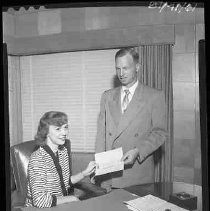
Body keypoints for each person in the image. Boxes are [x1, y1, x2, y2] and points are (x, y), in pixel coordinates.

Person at [94, 47, 167, 192]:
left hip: (137, 174)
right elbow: (101, 135)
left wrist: (138, 151)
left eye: (126, 68)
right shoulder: (107, 96)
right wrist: (99, 167)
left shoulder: (154, 96)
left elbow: (160, 133)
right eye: (118, 68)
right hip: (110, 174)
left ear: (137, 67)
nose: (121, 73)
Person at [25, 111, 97, 208]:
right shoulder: (38, 158)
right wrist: (71, 198)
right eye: (58, 129)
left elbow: (65, 182)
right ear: (45, 132)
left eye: (65, 127)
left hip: (58, 205)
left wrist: (84, 173)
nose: (64, 133)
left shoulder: (62, 152)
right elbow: (40, 201)